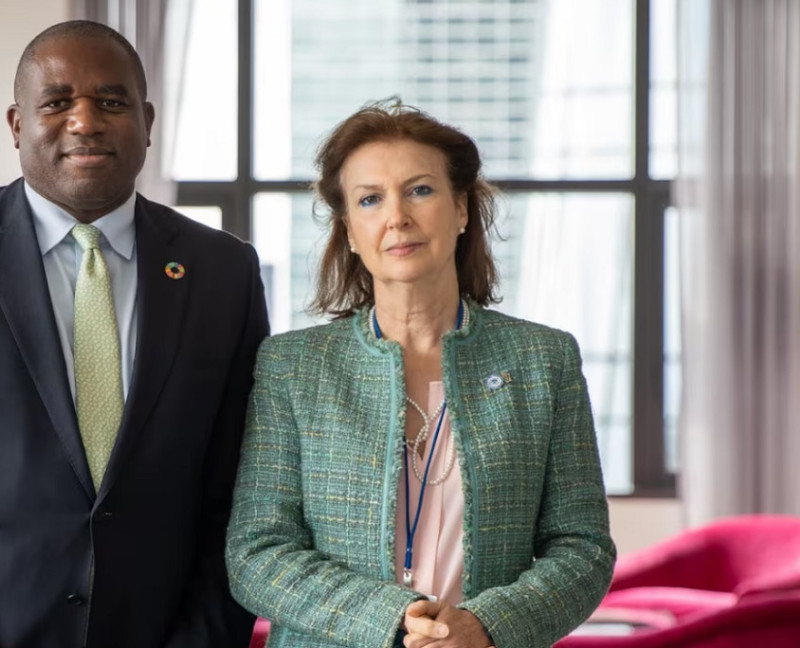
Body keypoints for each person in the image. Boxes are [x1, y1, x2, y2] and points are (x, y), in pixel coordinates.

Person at [0, 21, 267, 648]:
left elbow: (241, 497)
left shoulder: (223, 271)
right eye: (57, 102)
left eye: (111, 102)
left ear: (148, 121)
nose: (85, 122)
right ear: (16, 124)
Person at [225, 101, 615, 648]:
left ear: (460, 210)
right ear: (352, 232)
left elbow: (583, 547)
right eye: (370, 199)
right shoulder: (294, 367)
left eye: (420, 190)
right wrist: (393, 616)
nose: (397, 217)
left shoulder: (543, 360)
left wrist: (487, 625)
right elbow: (257, 553)